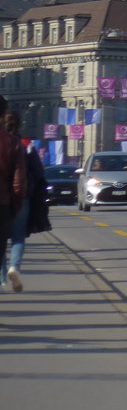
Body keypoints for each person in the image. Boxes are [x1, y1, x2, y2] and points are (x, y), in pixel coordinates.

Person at [0, 110, 49, 293]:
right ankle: (15, 267)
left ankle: (2, 279)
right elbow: (38, 172)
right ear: (19, 125)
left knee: (1, 239)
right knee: (18, 237)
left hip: (3, 197)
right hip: (22, 197)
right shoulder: (26, 145)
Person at [0, 97, 27, 294]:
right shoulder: (14, 144)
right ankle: (10, 271)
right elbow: (19, 184)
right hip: (3, 204)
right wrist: (14, 206)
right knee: (13, 240)